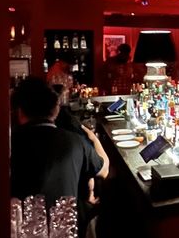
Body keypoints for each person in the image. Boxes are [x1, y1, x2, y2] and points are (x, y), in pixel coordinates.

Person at [11, 77, 109, 210]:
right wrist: (93, 137)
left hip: (18, 220)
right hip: (65, 219)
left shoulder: (5, 145)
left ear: (19, 111)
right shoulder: (75, 141)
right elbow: (104, 171)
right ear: (56, 109)